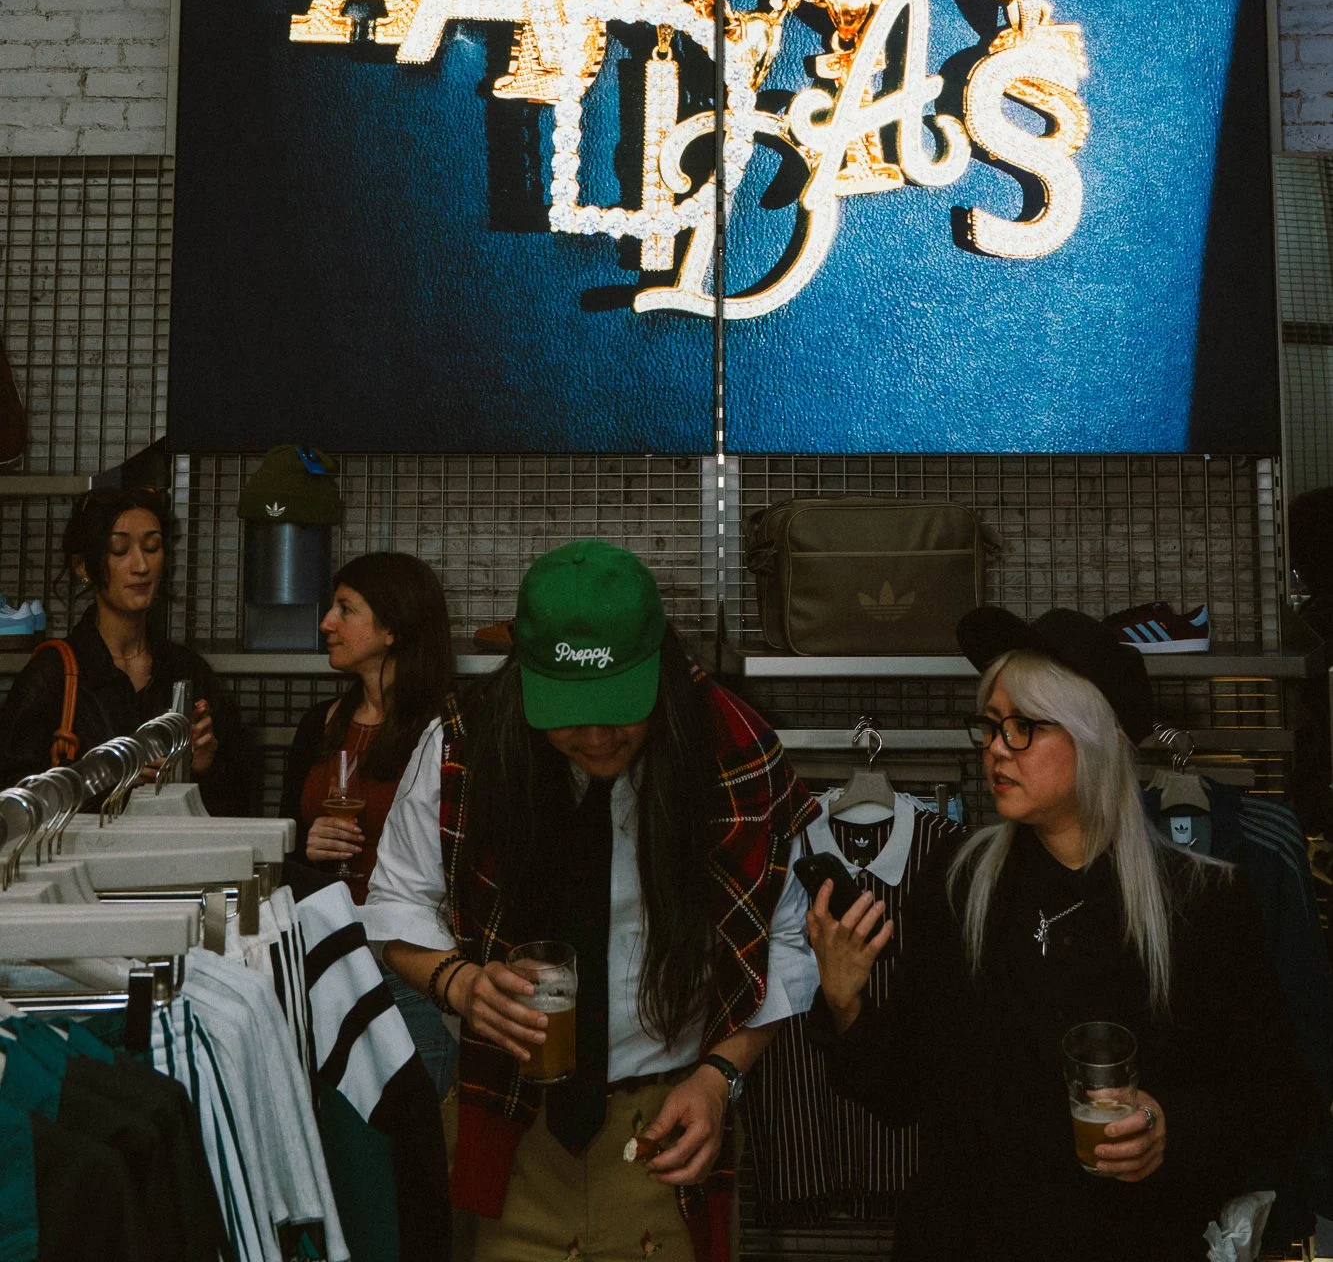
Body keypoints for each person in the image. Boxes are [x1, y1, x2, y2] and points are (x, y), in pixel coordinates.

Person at [804, 606, 1322, 1262]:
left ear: (1095, 738)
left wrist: (1167, 1126)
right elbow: (903, 1092)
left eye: (1024, 726)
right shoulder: (959, 882)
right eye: (990, 725)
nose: (996, 748)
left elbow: (1280, 1102)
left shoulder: (1203, 899)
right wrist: (845, 1003)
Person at [365, 539, 820, 1262]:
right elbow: (395, 900)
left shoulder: (732, 751)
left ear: (659, 670)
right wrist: (460, 983)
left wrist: (719, 1077)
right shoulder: (462, 746)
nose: (599, 737)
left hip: (670, 1123)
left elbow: (788, 943)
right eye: (572, 714)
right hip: (505, 1122)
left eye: (619, 709)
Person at [280, 549, 461, 1095]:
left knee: (412, 1115)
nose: (326, 623)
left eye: (345, 609)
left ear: (391, 629)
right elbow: (278, 848)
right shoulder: (321, 723)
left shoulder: (445, 732)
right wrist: (305, 846)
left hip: (409, 961)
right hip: (321, 956)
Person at [0, 485, 249, 814]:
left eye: (152, 546)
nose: (141, 565)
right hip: (85, 848)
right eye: (120, 550)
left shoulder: (188, 671)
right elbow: (12, 802)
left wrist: (205, 767)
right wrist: (106, 781)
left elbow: (242, 804)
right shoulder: (53, 674)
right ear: (83, 567)